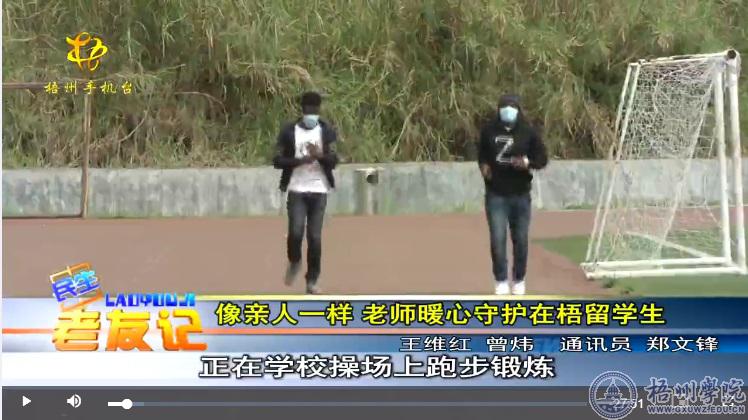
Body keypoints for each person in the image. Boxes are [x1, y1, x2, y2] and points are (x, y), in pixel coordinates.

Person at [478, 94, 548, 295]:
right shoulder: (489, 131)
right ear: (498, 110)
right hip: (496, 194)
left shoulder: (528, 132)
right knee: (497, 238)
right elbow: (482, 154)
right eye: (504, 107)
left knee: (521, 239)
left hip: (520, 194)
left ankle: (519, 279)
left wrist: (526, 162)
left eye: (512, 107)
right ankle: (500, 279)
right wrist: (483, 166)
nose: (508, 110)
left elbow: (542, 159)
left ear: (518, 110)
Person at [273, 92, 338, 294]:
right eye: (309, 110)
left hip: (319, 190)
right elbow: (277, 161)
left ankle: (312, 280)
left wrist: (320, 156)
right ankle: (294, 261)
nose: (312, 114)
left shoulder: (326, 131)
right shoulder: (289, 131)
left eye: (315, 110)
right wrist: (300, 161)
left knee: (315, 237)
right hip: (296, 189)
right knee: (295, 232)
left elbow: (334, 160)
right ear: (302, 110)